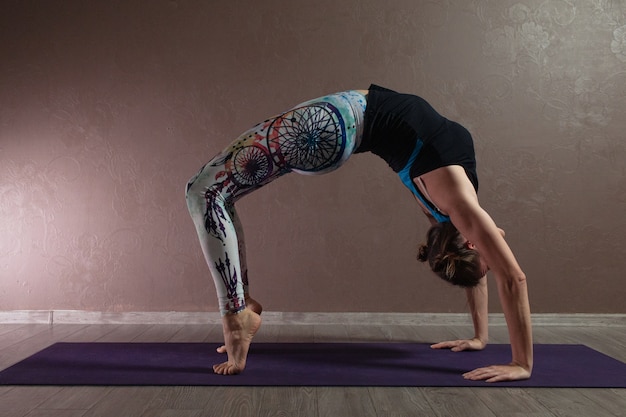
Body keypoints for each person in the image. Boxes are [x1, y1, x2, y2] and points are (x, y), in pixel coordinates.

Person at [185, 84, 533, 382]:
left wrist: (521, 363)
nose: (499, 244)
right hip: (337, 126)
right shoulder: (450, 214)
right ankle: (241, 305)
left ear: (473, 240)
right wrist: (480, 337)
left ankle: (236, 317)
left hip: (333, 123)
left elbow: (512, 278)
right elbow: (478, 266)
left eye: (488, 250)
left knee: (204, 191)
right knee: (215, 194)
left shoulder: (458, 203)